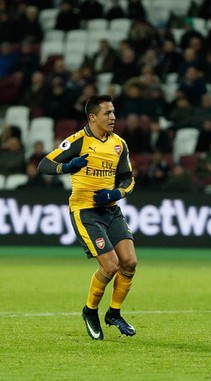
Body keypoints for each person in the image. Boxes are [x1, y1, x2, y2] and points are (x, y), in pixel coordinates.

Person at [37, 95, 137, 341]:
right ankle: (89, 311)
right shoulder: (77, 141)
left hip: (111, 210)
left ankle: (114, 313)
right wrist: (66, 167)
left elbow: (128, 178)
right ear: (92, 117)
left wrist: (117, 192)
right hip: (85, 211)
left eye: (113, 112)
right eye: (107, 113)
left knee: (130, 262)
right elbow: (44, 164)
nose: (113, 117)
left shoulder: (119, 144)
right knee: (110, 265)